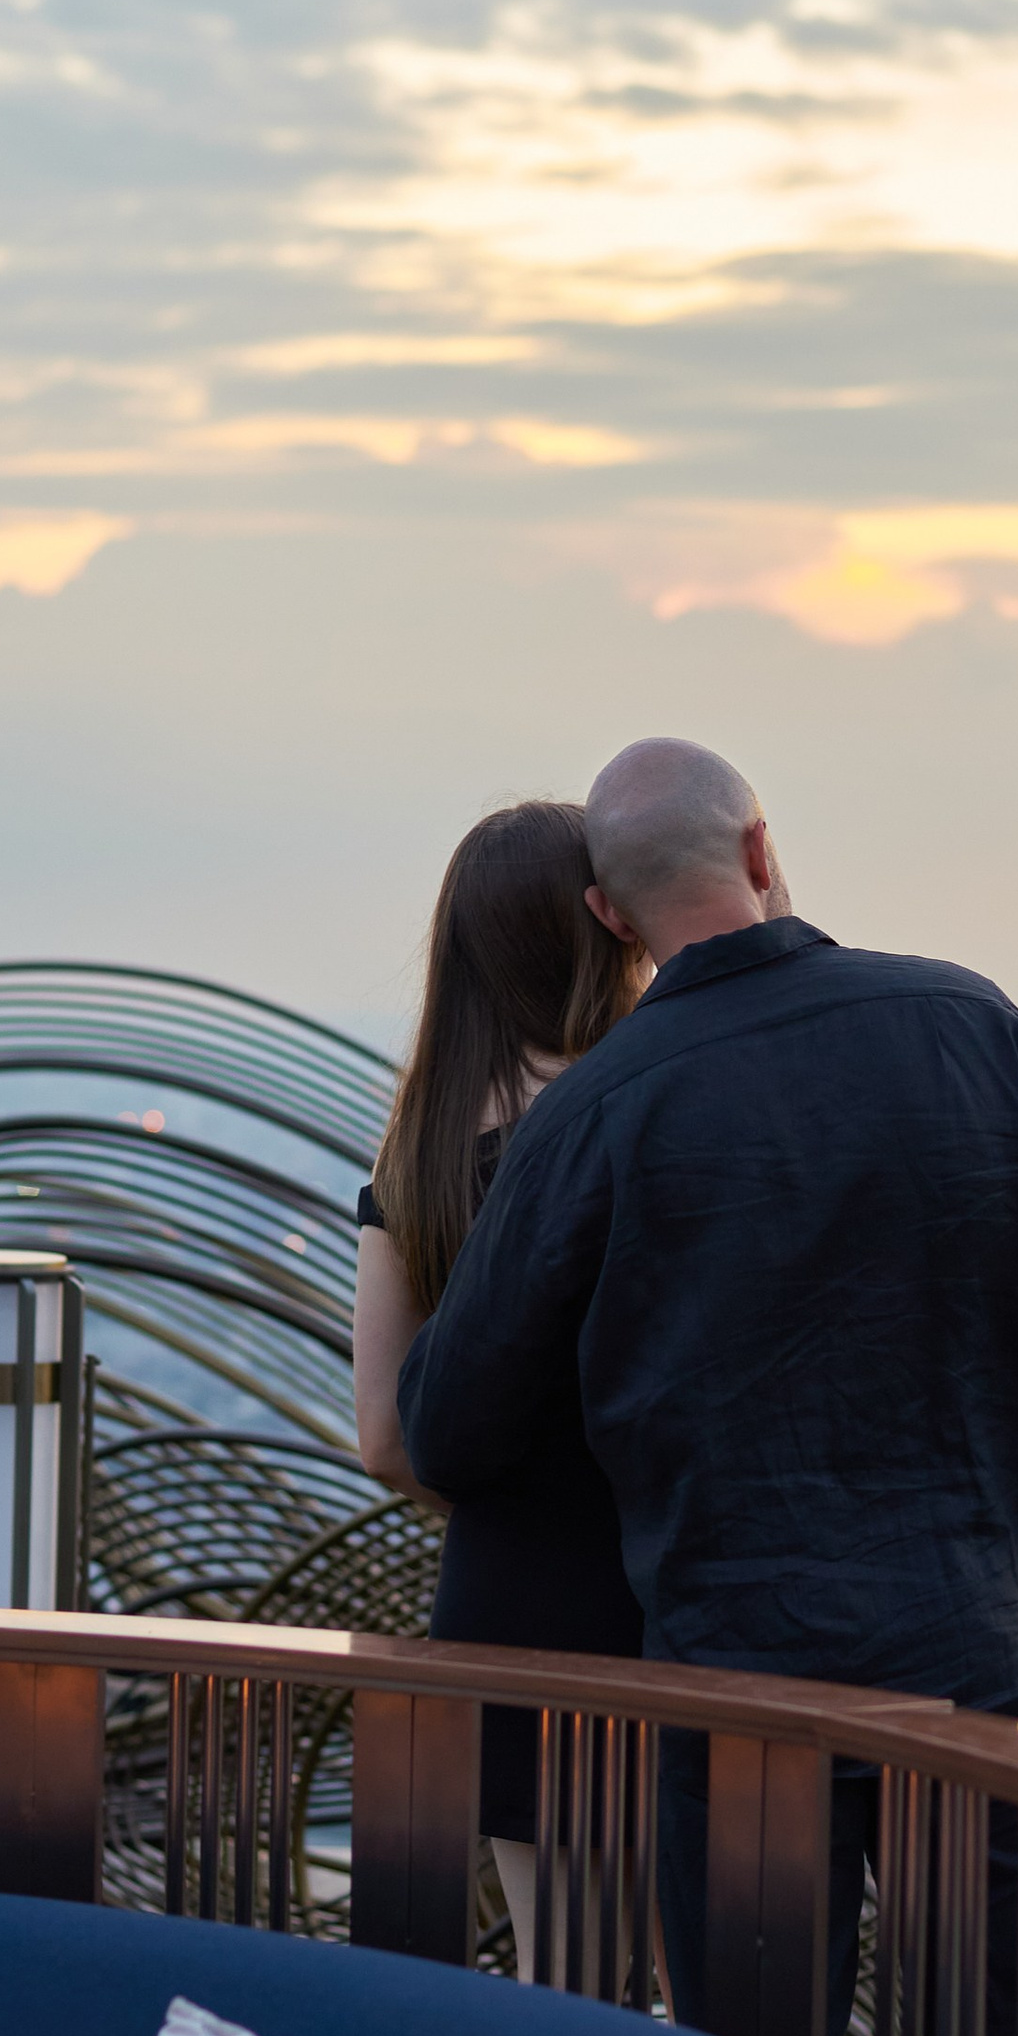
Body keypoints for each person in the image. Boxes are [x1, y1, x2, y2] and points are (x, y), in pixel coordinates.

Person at [397, 737, 1018, 2036]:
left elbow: (445, 1429)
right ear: (762, 849)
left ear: (611, 915)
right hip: (973, 1675)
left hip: (736, 1706)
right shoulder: (972, 1024)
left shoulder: (596, 1114)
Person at [353, 800, 648, 1961]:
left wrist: (517, 1514)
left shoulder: (417, 1143)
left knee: (562, 1973)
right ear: (606, 924)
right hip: (676, 1600)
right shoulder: (649, 1108)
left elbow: (382, 1436)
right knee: (719, 1989)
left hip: (507, 1607)